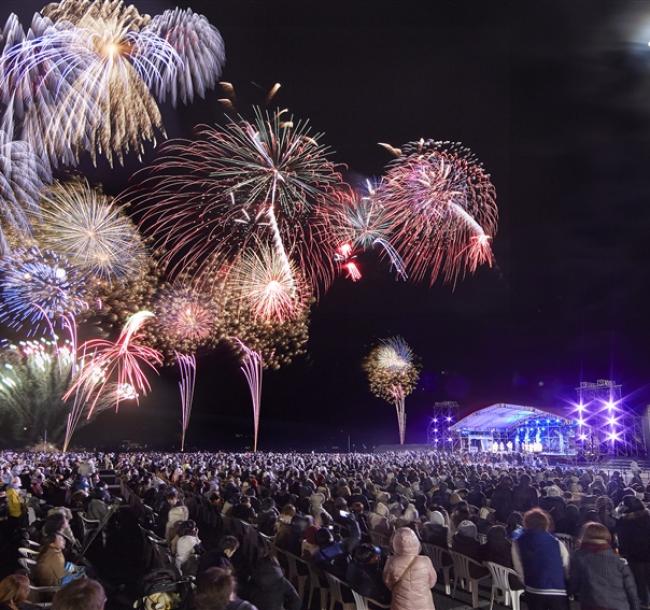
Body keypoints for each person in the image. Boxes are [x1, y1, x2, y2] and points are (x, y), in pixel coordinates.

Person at [569, 522, 639, 610]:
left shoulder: (579, 557)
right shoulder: (618, 559)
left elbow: (574, 584)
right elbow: (631, 589)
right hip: (620, 606)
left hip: (592, 605)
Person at [512, 508, 569, 610]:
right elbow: (566, 565)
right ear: (545, 523)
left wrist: (526, 583)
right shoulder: (556, 543)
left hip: (533, 588)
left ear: (526, 523)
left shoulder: (518, 542)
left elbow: (518, 567)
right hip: (557, 590)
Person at [383, 527, 436, 610]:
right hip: (424, 605)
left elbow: (388, 582)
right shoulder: (425, 561)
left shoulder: (391, 562)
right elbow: (432, 582)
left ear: (395, 543)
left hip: (400, 605)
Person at [616, 496, 650, 608]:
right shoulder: (648, 517)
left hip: (635, 556)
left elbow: (621, 539)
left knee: (639, 583)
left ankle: (644, 604)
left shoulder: (624, 522)